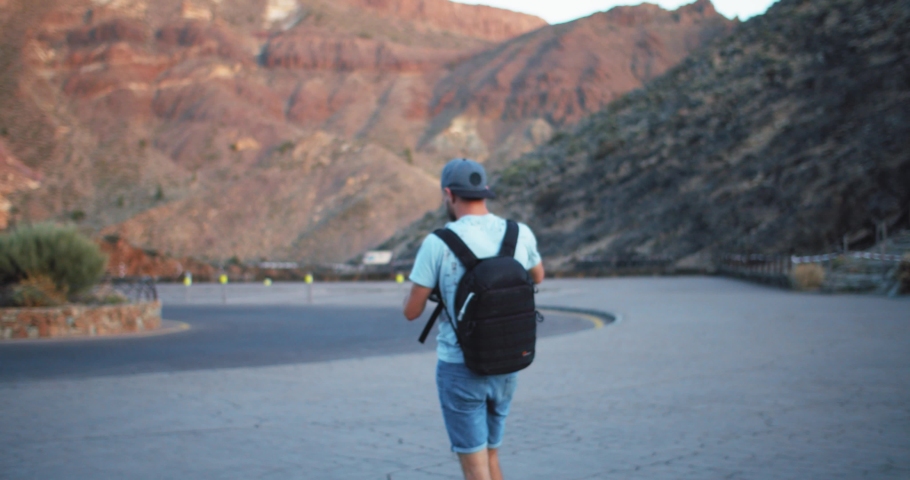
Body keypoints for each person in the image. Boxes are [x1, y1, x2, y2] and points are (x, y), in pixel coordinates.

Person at [403, 158, 544, 480]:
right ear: (485, 193)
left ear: (449, 194)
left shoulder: (438, 243)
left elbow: (411, 312)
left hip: (460, 367)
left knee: (474, 467)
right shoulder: (519, 233)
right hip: (509, 364)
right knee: (492, 456)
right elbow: (537, 276)